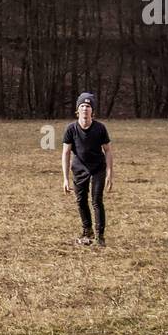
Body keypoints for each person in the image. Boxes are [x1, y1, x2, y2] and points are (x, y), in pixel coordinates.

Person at [62, 92, 114, 247]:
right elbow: (66, 153)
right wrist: (65, 178)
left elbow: (108, 150)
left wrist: (110, 174)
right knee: (81, 200)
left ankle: (100, 236)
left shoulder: (100, 128)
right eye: (82, 106)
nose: (85, 109)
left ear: (93, 111)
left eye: (88, 106)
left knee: (97, 200)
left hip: (98, 168)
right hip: (79, 168)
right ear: (78, 110)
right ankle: (87, 231)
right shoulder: (71, 129)